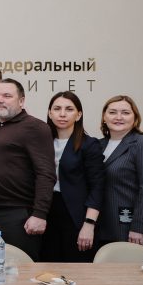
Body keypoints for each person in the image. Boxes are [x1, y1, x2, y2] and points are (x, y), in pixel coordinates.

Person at [0, 79, 55, 261]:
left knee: (20, 270)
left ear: (21, 101)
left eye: (7, 96)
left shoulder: (35, 127)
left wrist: (40, 214)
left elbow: (46, 173)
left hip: (19, 215)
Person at [40, 92, 105, 262]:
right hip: (46, 210)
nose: (62, 114)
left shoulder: (89, 144)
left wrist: (89, 224)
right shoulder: (41, 142)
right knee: (47, 266)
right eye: (57, 109)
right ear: (50, 113)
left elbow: (97, 187)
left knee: (76, 266)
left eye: (69, 109)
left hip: (76, 214)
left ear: (79, 115)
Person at [98, 95, 143, 250]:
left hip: (131, 229)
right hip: (102, 227)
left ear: (135, 118)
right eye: (112, 112)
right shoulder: (97, 145)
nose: (118, 117)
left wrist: (139, 227)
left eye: (125, 113)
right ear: (104, 117)